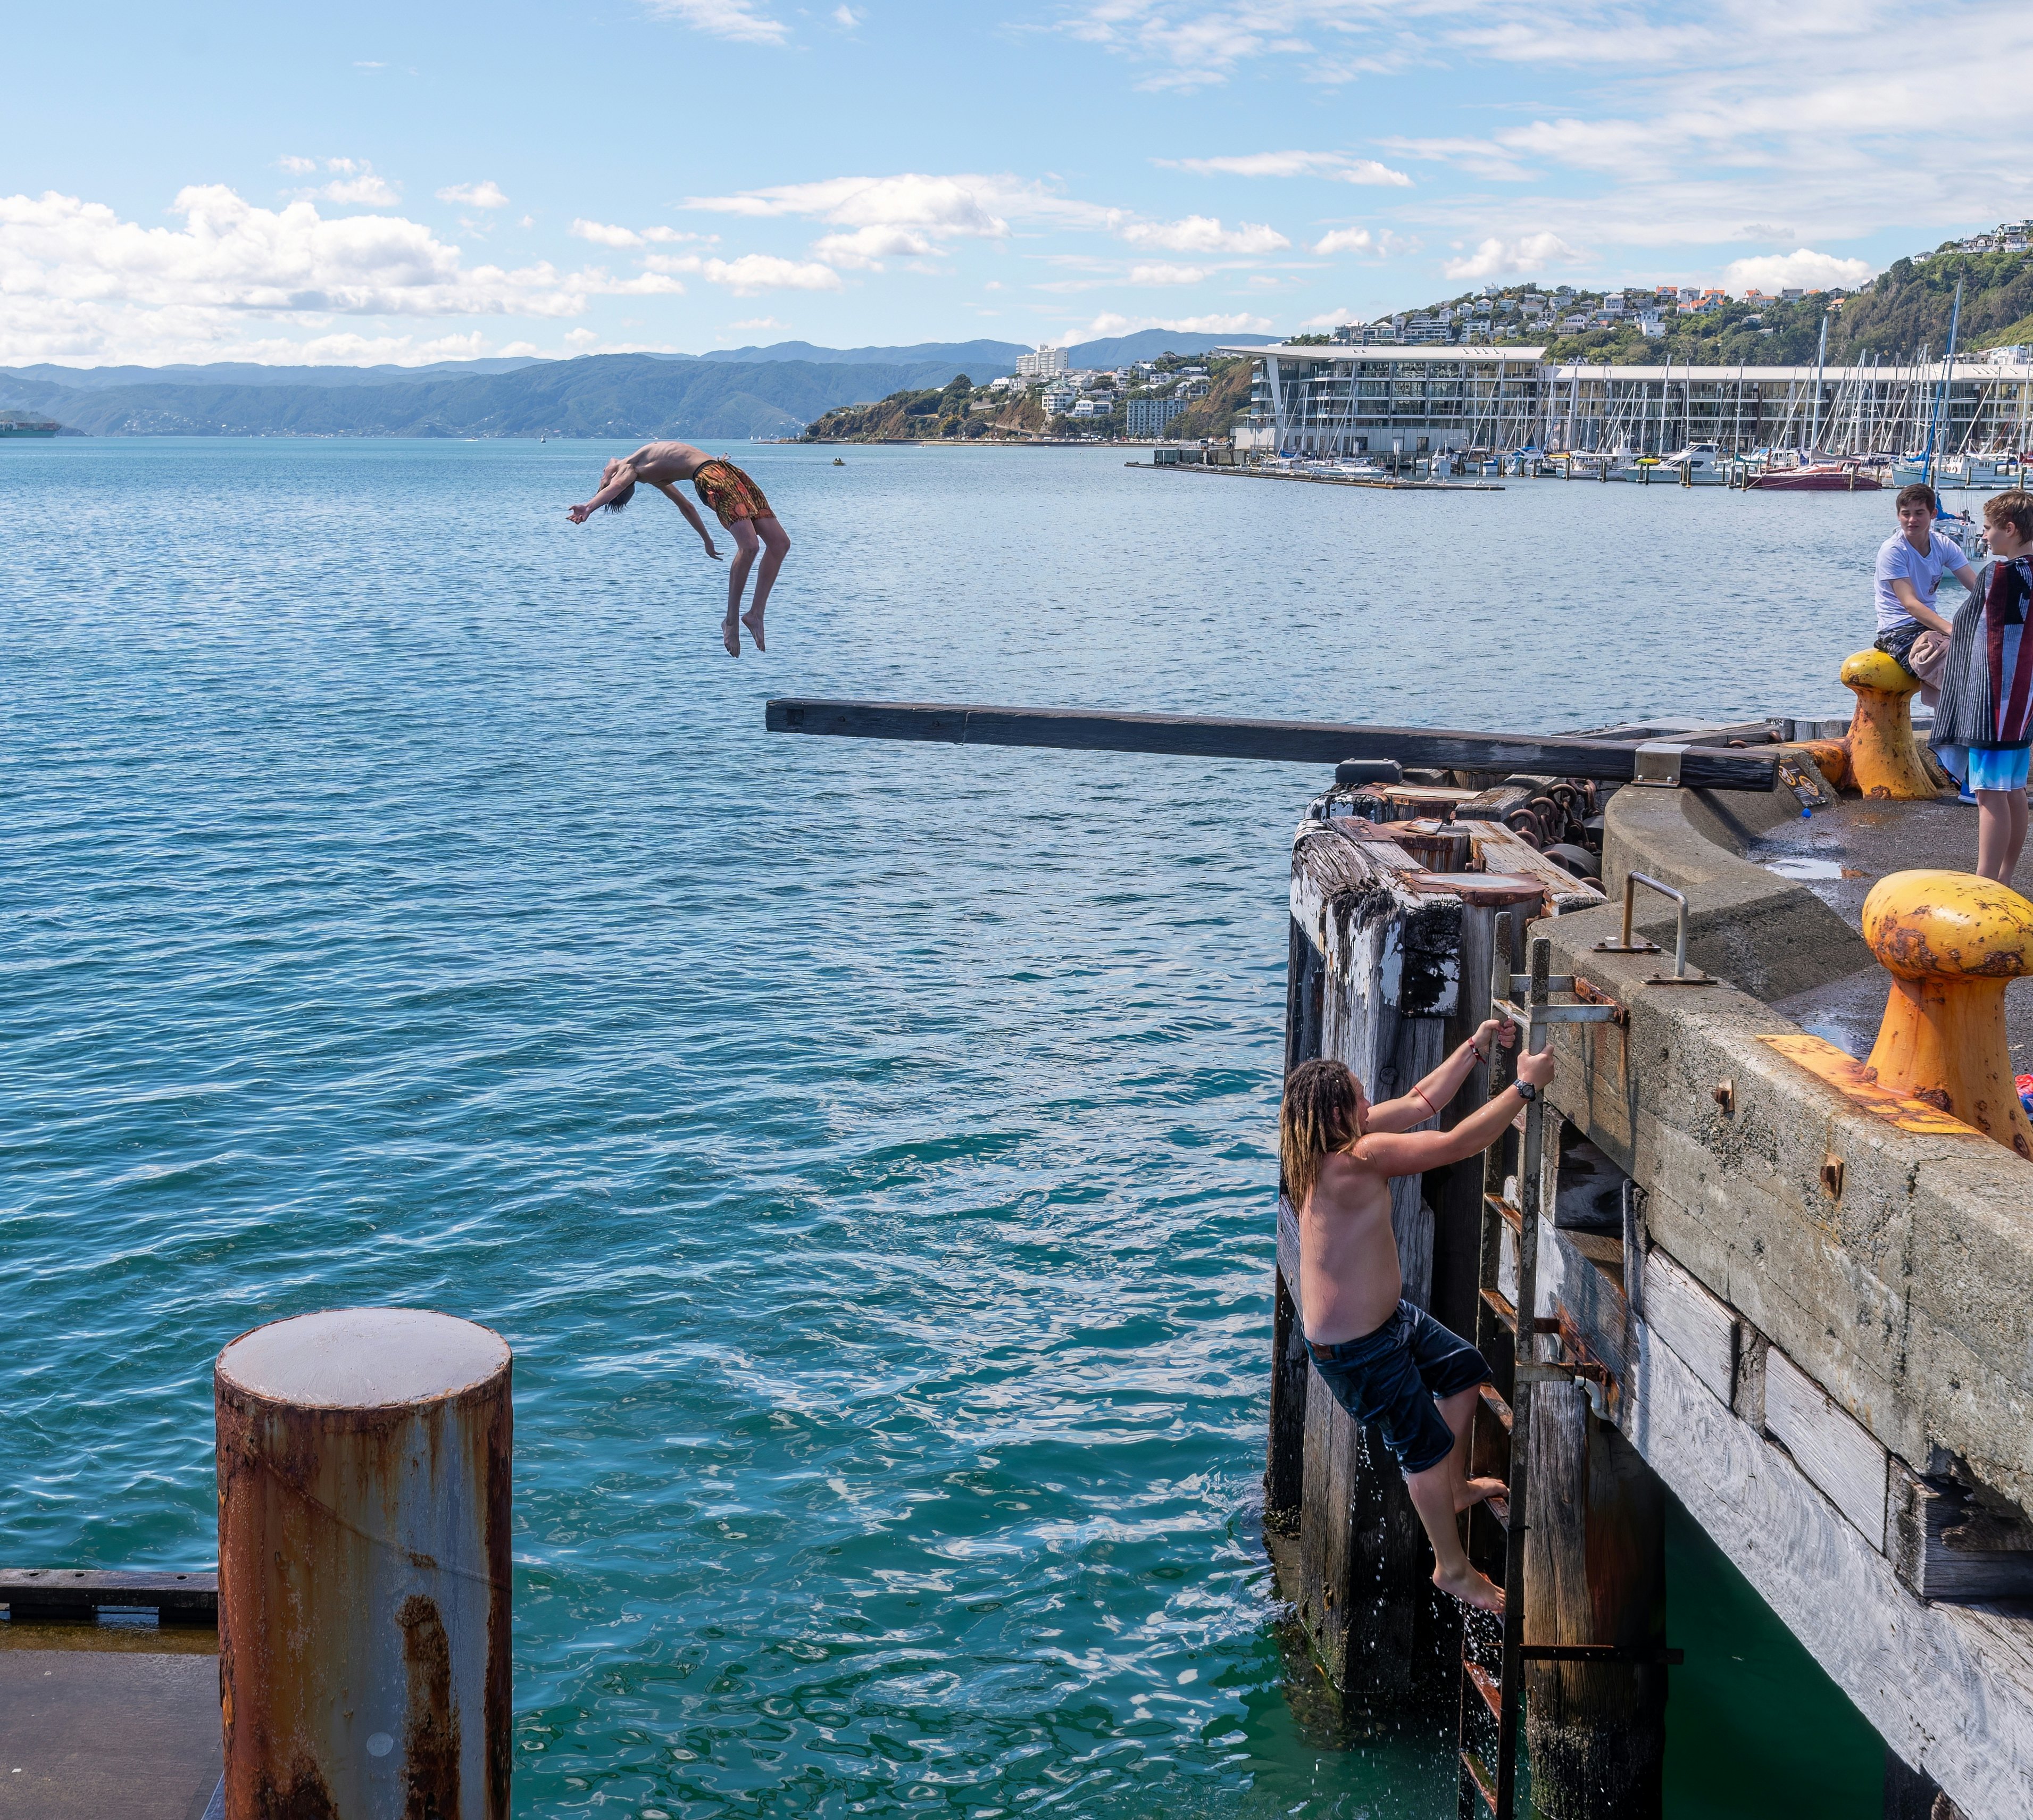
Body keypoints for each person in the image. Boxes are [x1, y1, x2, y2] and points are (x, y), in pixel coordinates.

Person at [1280, 1023, 1554, 1614]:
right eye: (1360, 1097)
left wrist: (1474, 1050)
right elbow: (1455, 1143)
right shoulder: (1357, 1157)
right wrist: (1524, 1089)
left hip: (1386, 1324)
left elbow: (1422, 1102)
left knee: (1462, 1369)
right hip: (1357, 1351)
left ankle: (1452, 1488)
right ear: (1338, 1113)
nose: (1370, 1105)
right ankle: (1452, 1567)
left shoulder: (1326, 1145)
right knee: (1422, 1448)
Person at [567, 442, 790, 657]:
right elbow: (615, 482)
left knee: (780, 543)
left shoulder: (648, 469)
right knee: (750, 547)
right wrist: (589, 506)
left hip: (728, 472)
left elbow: (687, 506)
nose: (603, 474)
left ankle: (755, 614)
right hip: (713, 477)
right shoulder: (630, 468)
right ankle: (731, 621)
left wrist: (707, 540)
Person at [1930, 490, 2033, 884]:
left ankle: (1984, 880)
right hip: (2023, 699)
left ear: (2010, 529)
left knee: (1989, 793)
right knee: (2013, 790)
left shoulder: (1999, 575)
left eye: (1989, 529)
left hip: (1993, 700)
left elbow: (1975, 628)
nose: (1985, 537)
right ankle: (2005, 877)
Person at [1875, 483, 1978, 713]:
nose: (1912, 520)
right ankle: (1953, 727)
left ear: (1932, 515)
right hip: (1897, 630)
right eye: (1906, 514)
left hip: (1929, 626)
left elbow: (1976, 587)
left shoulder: (1943, 545)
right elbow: (1910, 603)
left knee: (1984, 654)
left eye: (1919, 513)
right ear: (1898, 516)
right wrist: (1953, 630)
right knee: (1953, 666)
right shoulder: (1893, 551)